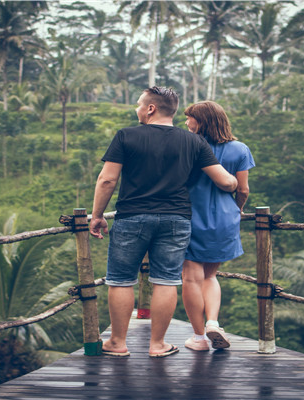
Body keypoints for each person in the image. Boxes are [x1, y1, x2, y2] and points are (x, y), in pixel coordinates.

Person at [89, 87, 238, 358]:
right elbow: (225, 181)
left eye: (139, 104)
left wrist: (97, 215)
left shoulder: (126, 136)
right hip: (176, 219)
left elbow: (107, 179)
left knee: (121, 281)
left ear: (150, 108)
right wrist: (236, 183)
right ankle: (157, 345)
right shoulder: (193, 141)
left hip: (132, 216)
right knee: (166, 281)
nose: (136, 109)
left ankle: (117, 343)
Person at [181, 101, 255, 351]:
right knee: (210, 275)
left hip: (191, 216)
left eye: (189, 118)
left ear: (201, 121)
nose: (186, 123)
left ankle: (199, 337)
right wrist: (238, 209)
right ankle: (213, 322)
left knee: (191, 278)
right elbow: (243, 189)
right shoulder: (240, 149)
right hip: (225, 218)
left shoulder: (188, 146)